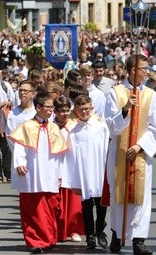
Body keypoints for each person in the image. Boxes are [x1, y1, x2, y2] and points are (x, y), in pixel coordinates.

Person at [104, 54, 156, 255]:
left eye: (147, 68)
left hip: (139, 153)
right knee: (118, 194)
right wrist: (126, 108)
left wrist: (139, 146)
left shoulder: (151, 95)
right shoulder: (115, 93)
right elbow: (111, 125)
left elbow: (155, 128)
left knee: (140, 196)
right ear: (132, 70)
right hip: (119, 151)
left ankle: (139, 240)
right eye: (143, 68)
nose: (147, 72)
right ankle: (116, 234)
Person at [8, 92, 68, 253]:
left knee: (50, 207)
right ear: (38, 107)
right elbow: (19, 146)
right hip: (32, 172)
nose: (51, 110)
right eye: (48, 107)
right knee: (33, 208)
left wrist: (61, 174)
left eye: (52, 107)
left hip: (50, 173)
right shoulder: (26, 126)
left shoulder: (54, 127)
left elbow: (60, 153)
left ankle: (49, 238)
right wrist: (20, 163)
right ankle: (35, 241)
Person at [62, 94, 109, 249]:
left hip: (100, 170)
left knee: (102, 204)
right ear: (76, 111)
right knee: (87, 205)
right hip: (84, 173)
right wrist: (73, 180)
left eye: (87, 109)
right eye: (81, 109)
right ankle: (90, 234)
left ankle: (100, 230)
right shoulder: (74, 131)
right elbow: (71, 158)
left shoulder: (101, 126)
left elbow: (107, 149)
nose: (84, 112)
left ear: (92, 108)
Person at [52, 96, 85, 244]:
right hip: (53, 167)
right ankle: (57, 231)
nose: (65, 114)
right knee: (56, 203)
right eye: (61, 111)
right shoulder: (50, 126)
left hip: (70, 167)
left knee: (72, 203)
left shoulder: (74, 125)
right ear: (55, 112)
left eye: (67, 110)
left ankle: (73, 230)